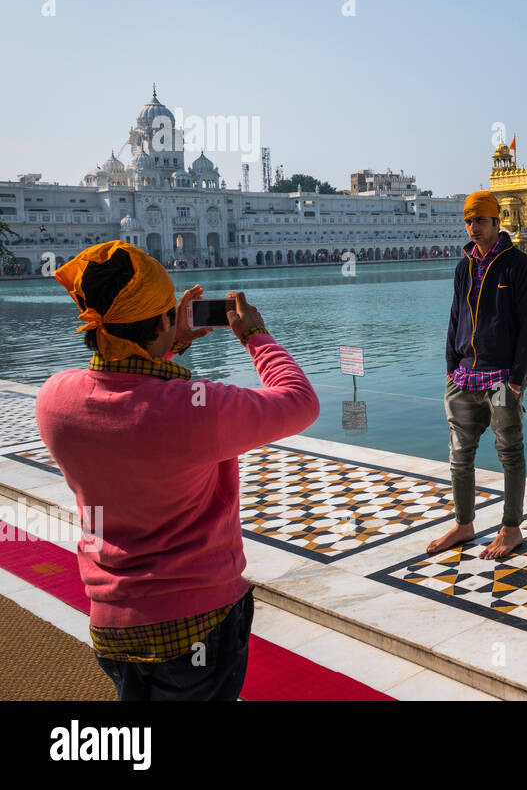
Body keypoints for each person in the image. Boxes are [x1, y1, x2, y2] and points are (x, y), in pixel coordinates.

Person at [34, 241, 320, 700]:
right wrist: (256, 336)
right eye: (168, 314)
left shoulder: (55, 400)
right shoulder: (197, 410)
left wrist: (171, 341)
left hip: (111, 623)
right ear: (161, 321)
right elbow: (299, 402)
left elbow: (128, 393)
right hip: (197, 622)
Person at [426, 192, 527, 560]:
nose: (472, 228)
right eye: (467, 221)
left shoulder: (519, 265)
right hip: (463, 377)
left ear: (496, 222)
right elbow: (455, 318)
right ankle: (464, 524)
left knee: (510, 451)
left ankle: (511, 528)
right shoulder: (464, 266)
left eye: (479, 220)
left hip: (501, 379)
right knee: (460, 456)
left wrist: (517, 378)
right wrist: (450, 366)